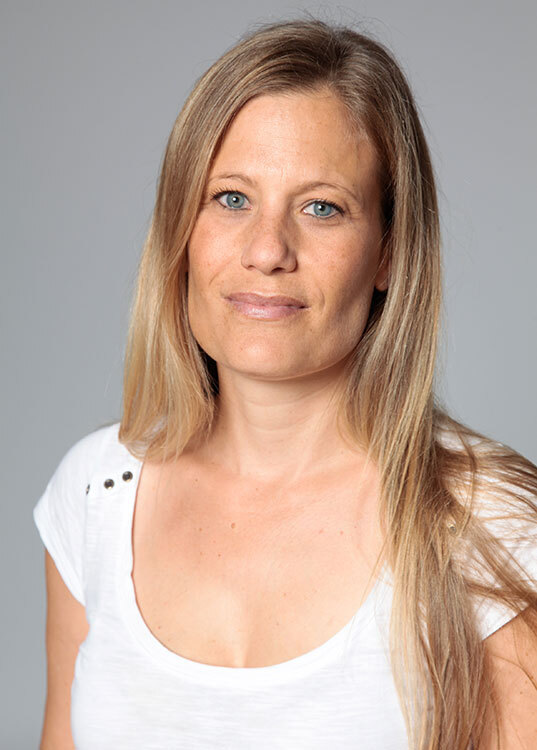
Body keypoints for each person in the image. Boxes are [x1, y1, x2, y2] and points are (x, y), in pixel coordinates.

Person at [33, 17, 537, 750]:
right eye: (231, 198)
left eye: (321, 207)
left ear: (388, 254)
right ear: (181, 229)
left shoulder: (495, 527)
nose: (268, 250)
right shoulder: (94, 494)